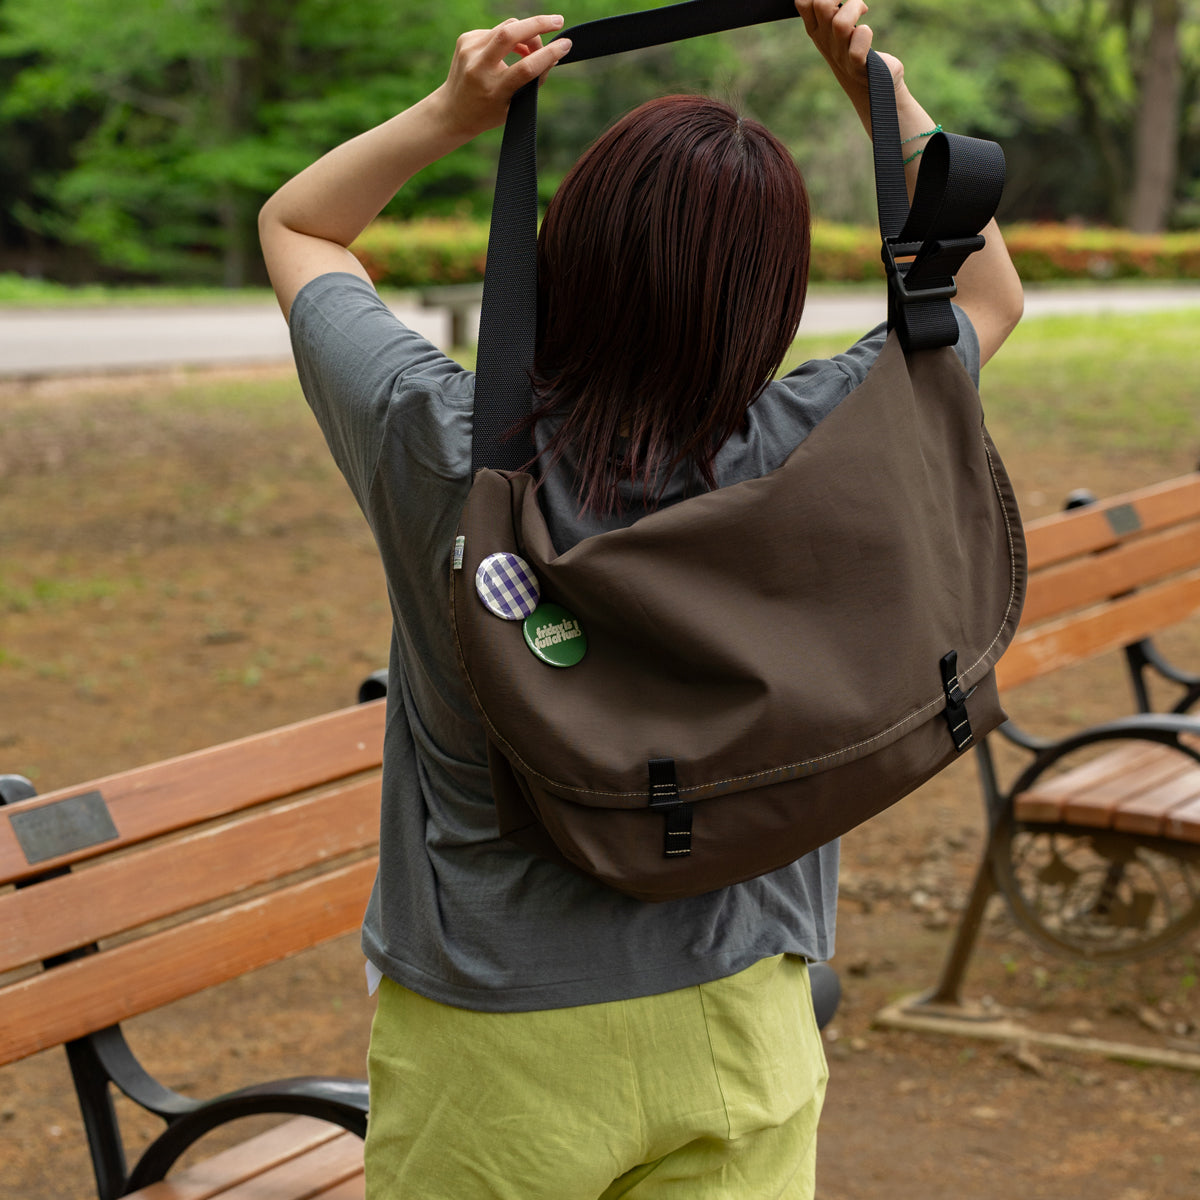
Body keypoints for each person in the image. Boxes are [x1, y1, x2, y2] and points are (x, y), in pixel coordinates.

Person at [258, 2, 1022, 1196]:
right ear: (765, 299)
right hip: (746, 1020)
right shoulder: (828, 440)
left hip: (496, 1035)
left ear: (566, 255)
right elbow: (981, 299)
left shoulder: (448, 449)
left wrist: (456, 113)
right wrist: (878, 88)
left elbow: (301, 224)